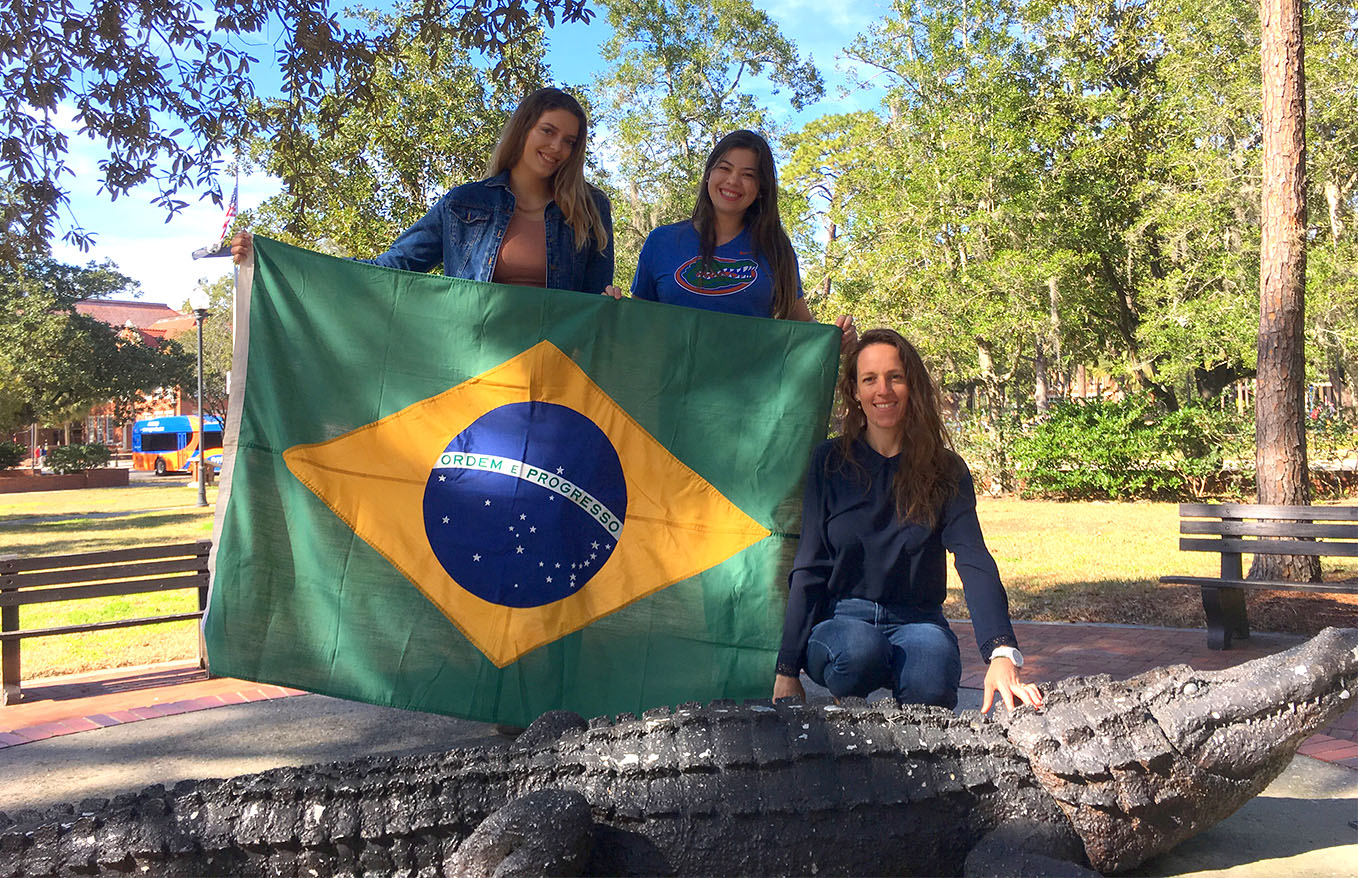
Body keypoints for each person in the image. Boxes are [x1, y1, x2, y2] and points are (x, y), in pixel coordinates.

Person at [773, 328, 1042, 714]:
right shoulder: (829, 462)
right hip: (843, 620)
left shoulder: (944, 469)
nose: (883, 390)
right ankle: (847, 713)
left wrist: (1001, 651)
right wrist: (787, 669)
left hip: (919, 622)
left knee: (930, 677)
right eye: (869, 379)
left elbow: (973, 558)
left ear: (912, 385)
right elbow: (810, 567)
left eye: (895, 377)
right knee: (859, 652)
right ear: (854, 392)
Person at [233, 88, 616, 297]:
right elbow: (392, 268)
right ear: (524, 130)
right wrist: (274, 259)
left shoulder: (590, 208)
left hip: (557, 368)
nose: (557, 148)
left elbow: (595, 303)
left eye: (569, 140)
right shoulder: (465, 203)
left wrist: (612, 303)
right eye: (547, 131)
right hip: (478, 364)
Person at [630, 130, 853, 339]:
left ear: (760, 189)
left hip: (749, 380)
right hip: (667, 379)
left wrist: (837, 339)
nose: (733, 181)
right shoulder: (661, 241)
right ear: (708, 174)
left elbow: (802, 324)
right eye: (725, 169)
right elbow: (635, 322)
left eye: (748, 175)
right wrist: (609, 306)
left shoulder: (775, 249)